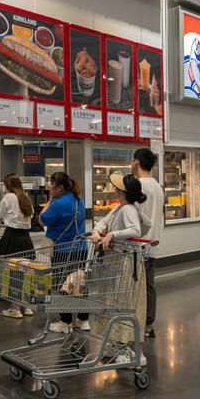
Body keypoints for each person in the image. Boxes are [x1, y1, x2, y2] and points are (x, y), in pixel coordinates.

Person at [90, 173, 152, 366]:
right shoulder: (120, 207)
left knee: (129, 305)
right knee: (115, 302)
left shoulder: (128, 210)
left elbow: (134, 230)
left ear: (121, 191)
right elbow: (104, 221)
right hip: (117, 261)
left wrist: (112, 235)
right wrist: (96, 231)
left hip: (126, 263)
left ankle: (137, 354)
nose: (113, 188)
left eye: (116, 186)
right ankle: (117, 343)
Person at [39, 172, 86, 333]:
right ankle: (83, 319)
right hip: (81, 249)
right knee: (79, 283)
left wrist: (50, 201)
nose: (49, 186)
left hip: (64, 250)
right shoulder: (78, 199)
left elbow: (42, 219)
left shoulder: (58, 203)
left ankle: (65, 322)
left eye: (51, 183)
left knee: (62, 286)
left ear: (60, 187)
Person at [131, 148, 163, 338]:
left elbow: (132, 216)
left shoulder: (138, 185)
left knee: (136, 287)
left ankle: (137, 323)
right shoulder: (158, 186)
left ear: (136, 162)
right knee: (149, 285)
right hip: (153, 243)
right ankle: (148, 324)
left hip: (138, 245)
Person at [0, 173, 35, 319]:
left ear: (8, 185)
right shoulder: (26, 198)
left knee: (13, 273)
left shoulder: (9, 197)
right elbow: (32, 215)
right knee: (26, 272)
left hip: (12, 237)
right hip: (26, 239)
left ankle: (15, 309)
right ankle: (28, 306)